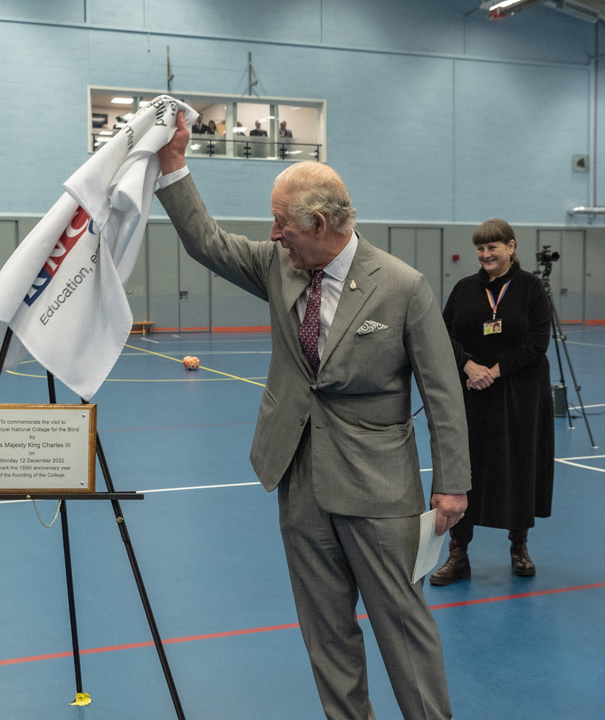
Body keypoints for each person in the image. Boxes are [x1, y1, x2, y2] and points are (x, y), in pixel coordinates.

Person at [155, 110, 470, 720]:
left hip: (379, 489)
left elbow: (443, 392)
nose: (273, 236)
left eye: (282, 224)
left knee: (402, 629)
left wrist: (452, 483)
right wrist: (173, 163)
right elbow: (207, 242)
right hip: (298, 478)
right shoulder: (279, 265)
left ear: (320, 224)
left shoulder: (403, 287)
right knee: (326, 633)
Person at [430, 219, 553, 585]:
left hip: (520, 396)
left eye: (492, 247)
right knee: (466, 471)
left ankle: (519, 546)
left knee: (518, 466)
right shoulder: (466, 289)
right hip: (471, 395)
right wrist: (468, 365)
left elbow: (537, 342)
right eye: (480, 249)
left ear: (511, 247)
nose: (485, 255)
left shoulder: (531, 288)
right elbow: (442, 333)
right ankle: (458, 553)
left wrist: (494, 371)